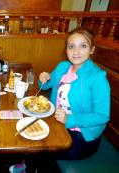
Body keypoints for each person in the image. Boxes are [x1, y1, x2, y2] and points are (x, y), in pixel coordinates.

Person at [38, 27, 110, 160]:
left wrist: (70, 120)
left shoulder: (98, 78)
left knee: (42, 150)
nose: (76, 52)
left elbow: (102, 116)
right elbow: (46, 85)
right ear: (66, 50)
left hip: (83, 136)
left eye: (83, 46)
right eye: (71, 46)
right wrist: (45, 78)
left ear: (92, 49)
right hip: (58, 124)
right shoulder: (62, 67)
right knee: (33, 139)